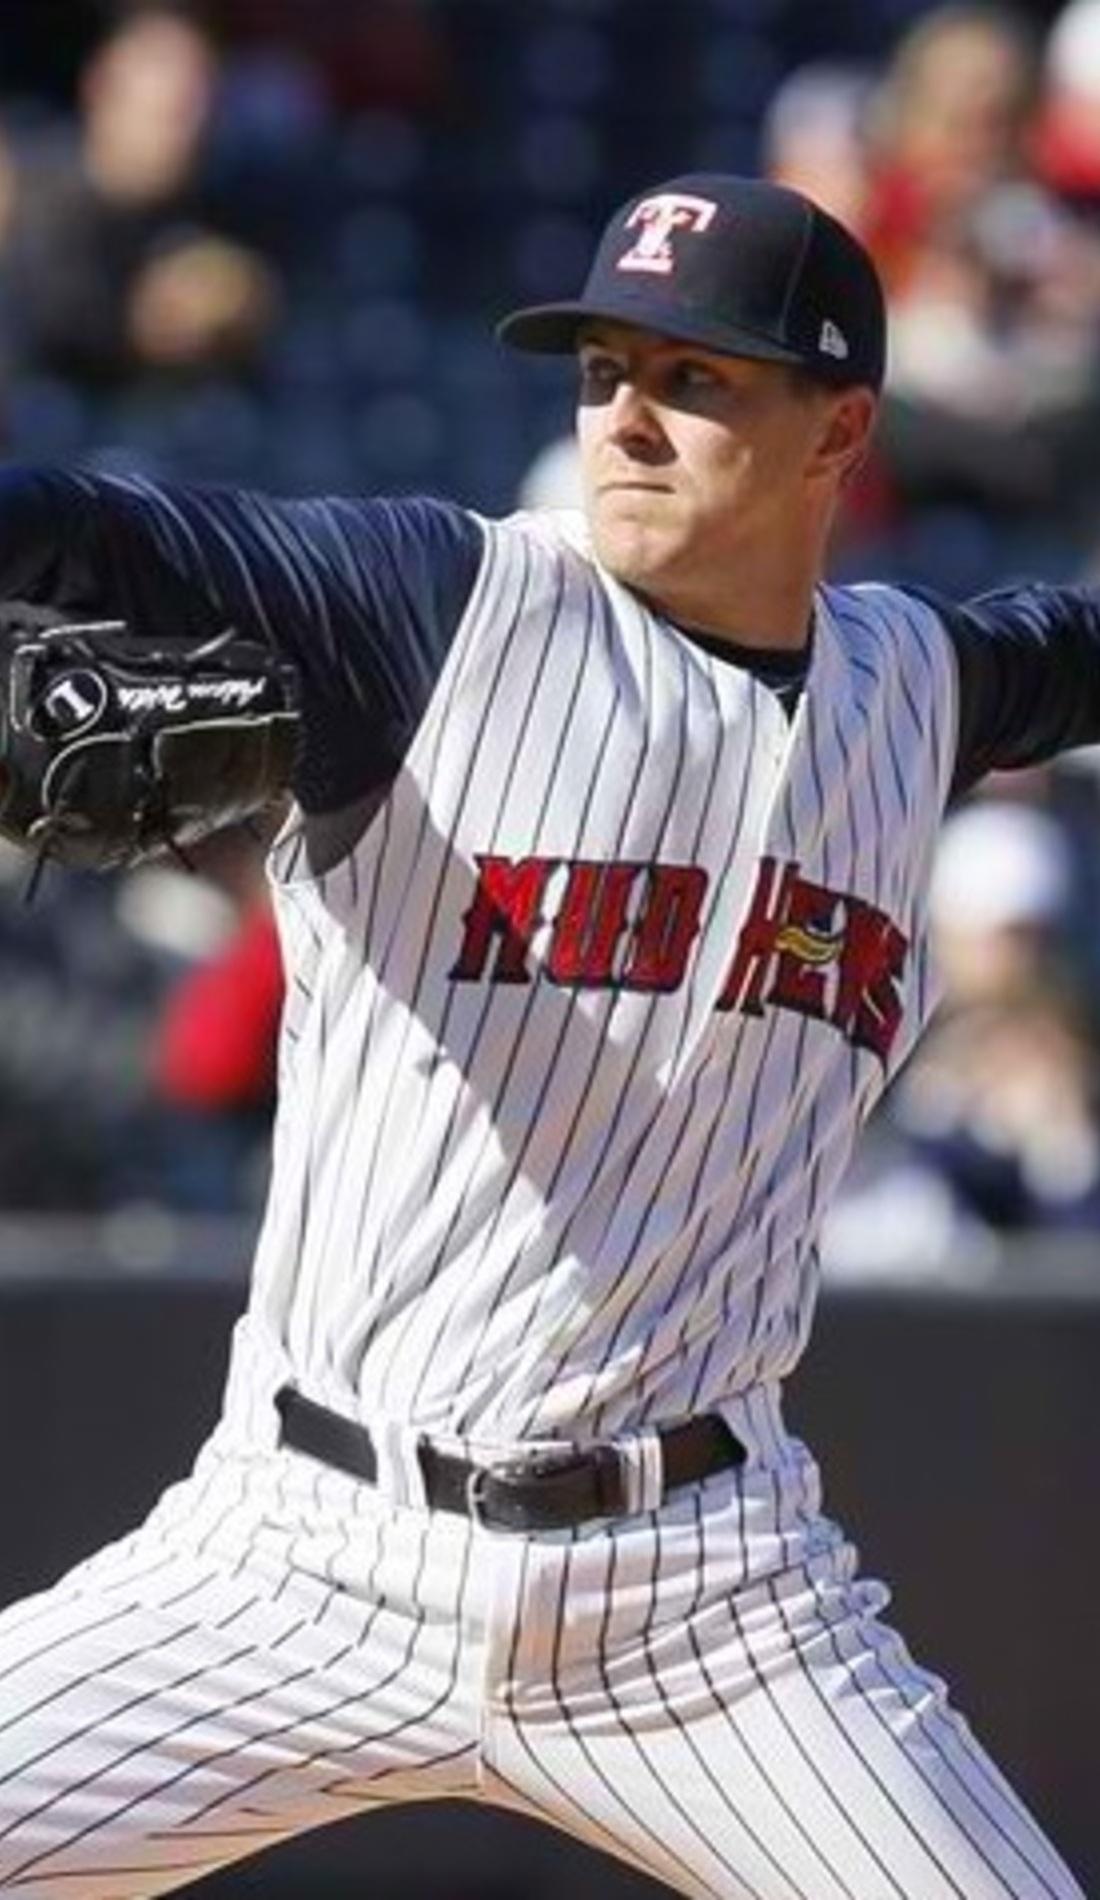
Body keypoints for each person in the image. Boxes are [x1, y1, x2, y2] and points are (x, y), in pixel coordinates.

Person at [0, 173, 1089, 1900]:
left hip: (711, 1601)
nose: (628, 422)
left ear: (843, 430)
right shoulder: (433, 606)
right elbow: (82, 526)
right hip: (302, 1551)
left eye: (696, 379)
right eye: (602, 371)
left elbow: (1076, 650)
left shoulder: (927, 690)